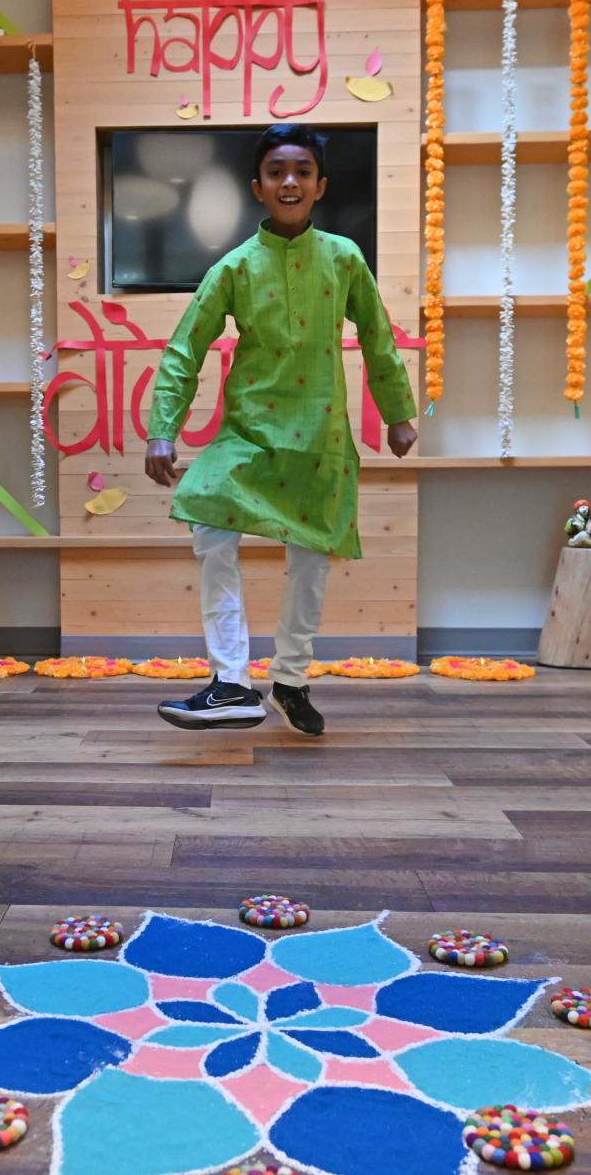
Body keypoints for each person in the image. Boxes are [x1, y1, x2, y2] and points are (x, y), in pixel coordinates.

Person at [144, 124, 417, 737]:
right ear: (258, 188)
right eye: (275, 172)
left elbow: (378, 337)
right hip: (250, 431)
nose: (288, 181)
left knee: (310, 559)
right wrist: (164, 428)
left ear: (320, 186)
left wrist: (398, 412)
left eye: (301, 171)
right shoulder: (235, 267)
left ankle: (290, 678)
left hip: (320, 434)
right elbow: (184, 349)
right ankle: (232, 683)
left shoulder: (345, 256)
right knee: (210, 522)